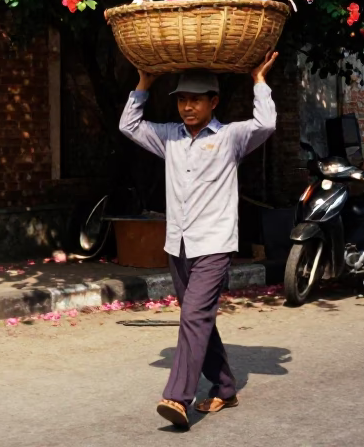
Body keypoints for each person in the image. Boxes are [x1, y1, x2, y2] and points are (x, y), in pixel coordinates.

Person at [118, 52, 278, 429]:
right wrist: (143, 83)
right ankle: (224, 386)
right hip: (179, 245)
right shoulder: (169, 138)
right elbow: (129, 125)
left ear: (213, 102)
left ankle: (177, 397)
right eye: (181, 100)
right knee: (199, 318)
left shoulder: (230, 137)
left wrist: (259, 80)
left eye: (196, 99)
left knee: (192, 316)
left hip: (214, 244)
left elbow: (266, 123)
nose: (187, 107)